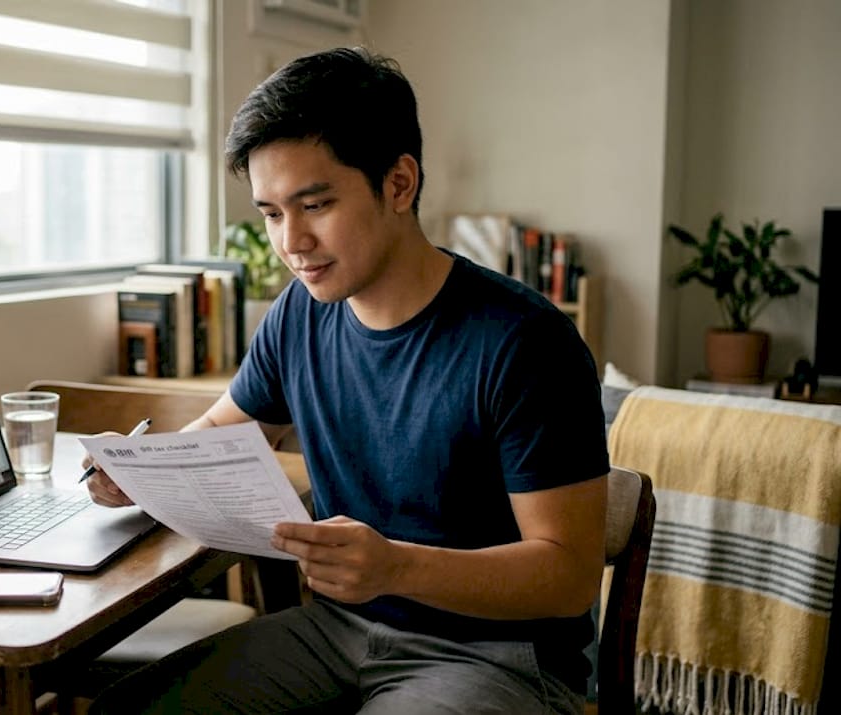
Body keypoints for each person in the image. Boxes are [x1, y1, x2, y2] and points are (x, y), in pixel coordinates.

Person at [83, 46, 608, 715]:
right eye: (272, 213)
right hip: (338, 631)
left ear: (399, 184)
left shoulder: (524, 341)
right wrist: (141, 469)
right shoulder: (298, 316)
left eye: (315, 204)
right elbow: (216, 433)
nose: (291, 241)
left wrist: (395, 566)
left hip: (497, 654)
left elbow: (567, 576)